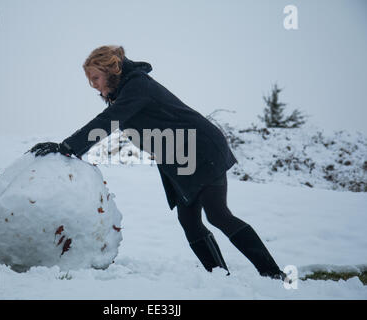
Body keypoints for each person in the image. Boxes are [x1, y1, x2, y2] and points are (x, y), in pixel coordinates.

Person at [30, 45, 287, 281]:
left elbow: (108, 121)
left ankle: (273, 274)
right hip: (179, 157)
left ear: (111, 70)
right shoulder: (125, 92)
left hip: (201, 149)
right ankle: (220, 279)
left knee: (218, 215)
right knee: (189, 221)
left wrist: (68, 146)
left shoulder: (137, 86)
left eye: (95, 78)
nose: (93, 86)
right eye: (90, 81)